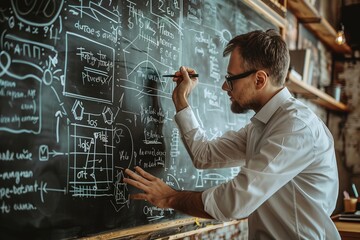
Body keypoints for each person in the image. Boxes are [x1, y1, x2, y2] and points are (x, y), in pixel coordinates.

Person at [124, 29, 340, 239]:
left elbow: (234, 202)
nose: (225, 86)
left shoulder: (295, 128)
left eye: (231, 78)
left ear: (259, 80)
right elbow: (204, 156)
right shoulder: (263, 126)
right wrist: (181, 100)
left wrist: (170, 197)